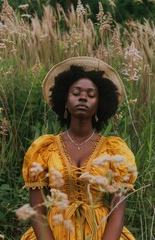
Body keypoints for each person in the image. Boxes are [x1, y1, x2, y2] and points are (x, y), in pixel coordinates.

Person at [21, 56, 137, 240]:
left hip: (102, 232)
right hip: (54, 231)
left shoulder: (113, 151)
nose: (83, 97)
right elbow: (37, 212)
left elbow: (118, 211)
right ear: (65, 101)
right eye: (76, 93)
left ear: (99, 104)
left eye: (91, 95)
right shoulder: (45, 149)